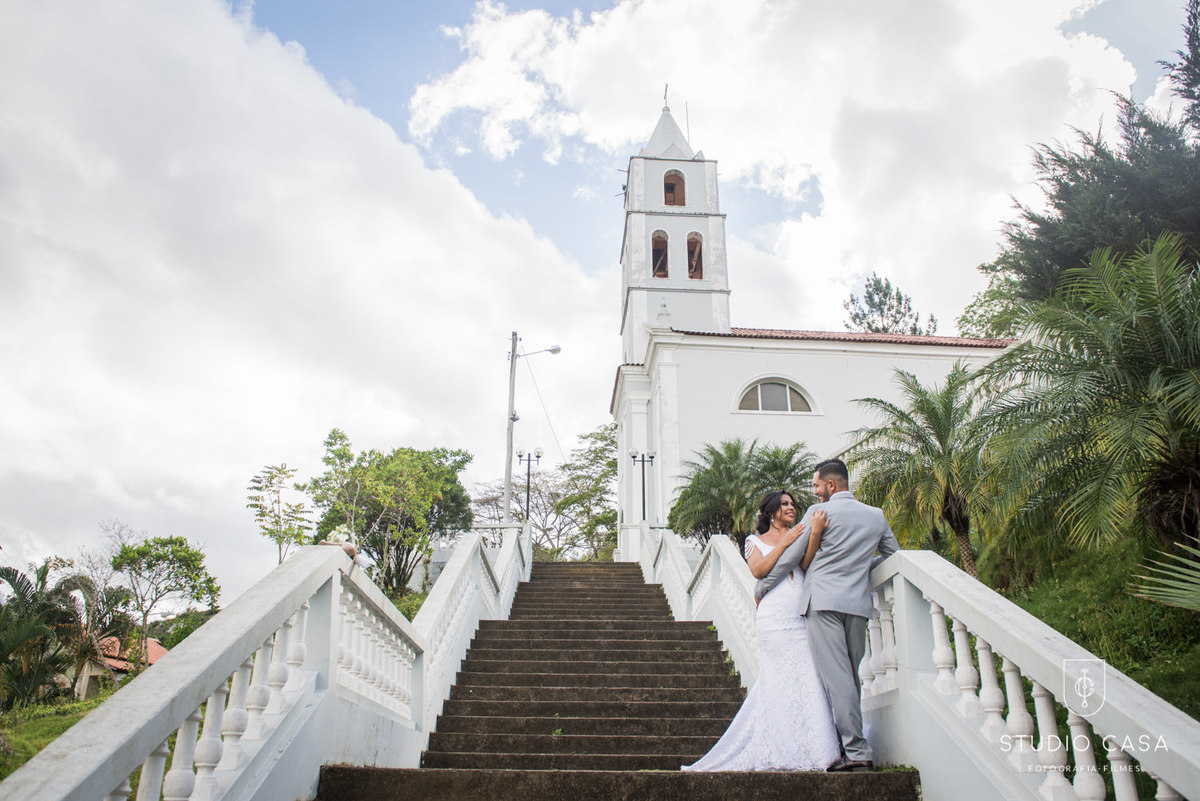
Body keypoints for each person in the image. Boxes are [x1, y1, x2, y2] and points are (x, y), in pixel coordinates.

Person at [755, 458, 900, 772]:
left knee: (838, 680)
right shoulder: (875, 516)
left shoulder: (819, 513)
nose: (816, 492)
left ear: (832, 485)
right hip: (858, 605)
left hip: (822, 604)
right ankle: (851, 743)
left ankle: (857, 752)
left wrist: (763, 586)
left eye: (818, 486)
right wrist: (862, 569)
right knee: (851, 675)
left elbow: (791, 557)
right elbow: (895, 557)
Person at [682, 490, 841, 772]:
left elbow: (804, 565)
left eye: (792, 504)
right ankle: (781, 748)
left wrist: (812, 535)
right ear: (770, 512)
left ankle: (815, 746)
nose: (791, 508)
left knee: (807, 677)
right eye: (784, 504)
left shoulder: (800, 532)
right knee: (778, 680)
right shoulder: (754, 541)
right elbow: (758, 570)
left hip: (800, 613)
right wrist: (785, 543)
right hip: (774, 617)